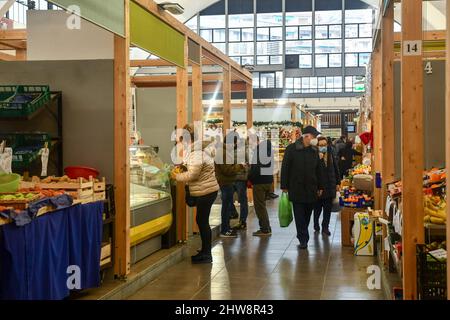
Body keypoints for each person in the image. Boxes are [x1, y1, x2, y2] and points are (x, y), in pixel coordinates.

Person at [173, 125, 219, 264]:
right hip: (207, 190)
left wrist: (176, 176)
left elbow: (193, 174)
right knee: (202, 221)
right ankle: (205, 250)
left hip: (205, 191)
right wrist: (183, 167)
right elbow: (196, 168)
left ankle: (206, 254)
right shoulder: (199, 150)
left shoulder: (196, 153)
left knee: (202, 222)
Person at [280, 126, 325, 249]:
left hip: (311, 188)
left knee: (307, 214)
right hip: (296, 188)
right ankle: (303, 238)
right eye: (314, 136)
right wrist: (284, 185)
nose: (315, 139)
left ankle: (303, 233)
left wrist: (321, 186)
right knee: (299, 215)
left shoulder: (314, 151)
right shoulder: (291, 149)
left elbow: (319, 170)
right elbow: (285, 168)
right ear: (306, 136)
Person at [215, 134, 243, 238]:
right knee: (226, 207)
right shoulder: (222, 152)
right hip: (225, 182)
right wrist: (239, 166)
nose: (235, 145)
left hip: (227, 182)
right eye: (235, 143)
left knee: (227, 206)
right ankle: (225, 230)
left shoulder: (224, 151)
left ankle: (227, 228)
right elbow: (227, 170)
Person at [313, 137, 341, 236]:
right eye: (321, 145)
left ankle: (325, 227)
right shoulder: (314, 156)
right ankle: (316, 224)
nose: (323, 147)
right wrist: (317, 159)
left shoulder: (331, 154)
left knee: (327, 209)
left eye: (325, 145)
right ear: (317, 146)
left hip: (330, 186)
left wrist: (338, 182)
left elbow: (336, 168)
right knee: (317, 209)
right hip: (319, 188)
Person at [248, 137, 274, 237]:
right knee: (262, 206)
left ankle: (265, 229)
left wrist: (249, 177)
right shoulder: (269, 152)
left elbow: (256, 168)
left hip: (259, 182)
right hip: (268, 181)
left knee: (259, 207)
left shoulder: (259, 152)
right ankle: (267, 227)